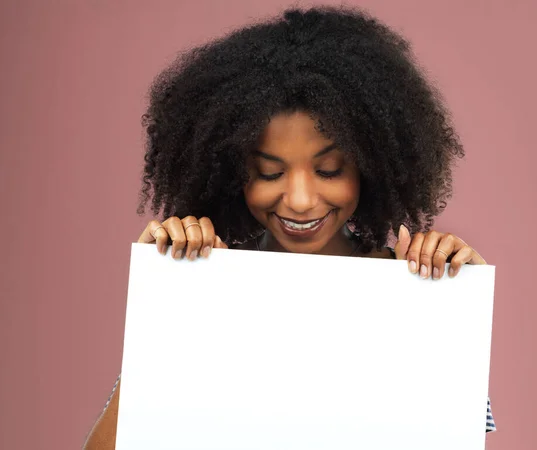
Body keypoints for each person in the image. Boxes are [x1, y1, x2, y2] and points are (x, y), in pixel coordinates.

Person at [83, 6, 496, 449]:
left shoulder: (418, 294)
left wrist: (455, 309)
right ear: (231, 174)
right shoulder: (205, 293)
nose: (300, 200)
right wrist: (163, 307)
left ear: (371, 169)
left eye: (330, 170)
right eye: (269, 173)